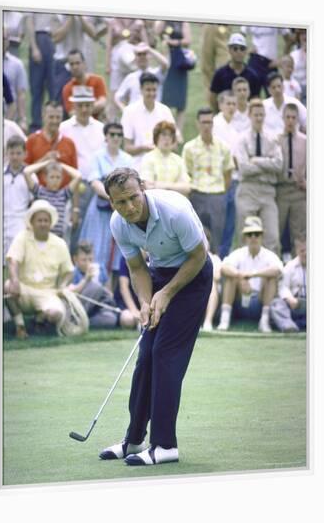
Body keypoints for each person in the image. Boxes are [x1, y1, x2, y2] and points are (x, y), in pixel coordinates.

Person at [99, 167, 213, 466]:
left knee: (165, 353)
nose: (129, 207)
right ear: (111, 202)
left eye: (133, 198)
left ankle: (165, 445)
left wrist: (168, 292)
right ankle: (134, 439)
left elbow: (199, 256)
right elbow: (137, 268)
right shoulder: (118, 223)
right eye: (120, 202)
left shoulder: (174, 211)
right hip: (158, 274)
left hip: (194, 275)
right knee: (146, 354)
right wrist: (147, 302)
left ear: (144, 189)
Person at [4, 200, 74, 339]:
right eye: (39, 220)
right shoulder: (22, 237)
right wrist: (15, 280)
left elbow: (69, 272)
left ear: (50, 223)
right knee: (7, 286)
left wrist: (63, 286)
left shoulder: (60, 243)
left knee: (56, 314)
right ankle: (20, 326)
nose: (43, 223)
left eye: (46, 220)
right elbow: (13, 261)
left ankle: (39, 321)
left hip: (47, 293)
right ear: (32, 222)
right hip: (24, 290)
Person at [78, 122, 133, 275]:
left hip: (120, 210)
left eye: (119, 135)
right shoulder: (97, 156)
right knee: (96, 247)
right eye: (112, 134)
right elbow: (94, 182)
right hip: (100, 209)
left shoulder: (127, 159)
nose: (115, 138)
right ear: (106, 137)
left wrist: (118, 201)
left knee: (118, 252)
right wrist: (112, 196)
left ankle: (114, 291)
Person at [182, 108, 235, 254]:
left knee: (217, 238)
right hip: (197, 195)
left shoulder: (223, 147)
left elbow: (228, 172)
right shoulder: (189, 148)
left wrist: (222, 192)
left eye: (210, 122)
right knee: (196, 238)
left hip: (217, 196)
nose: (207, 126)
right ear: (197, 124)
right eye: (204, 122)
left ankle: (216, 270)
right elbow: (186, 173)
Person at [217, 216, 283, 333]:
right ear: (245, 238)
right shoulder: (238, 253)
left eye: (256, 234)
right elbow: (224, 267)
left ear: (262, 236)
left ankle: (264, 320)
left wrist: (253, 275)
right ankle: (225, 319)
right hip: (239, 301)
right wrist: (240, 276)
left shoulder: (269, 255)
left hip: (260, 302)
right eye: (250, 234)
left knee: (270, 278)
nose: (253, 237)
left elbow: (277, 270)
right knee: (231, 277)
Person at [234, 98, 283, 254]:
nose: (259, 118)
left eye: (262, 114)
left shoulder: (272, 139)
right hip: (248, 190)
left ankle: (270, 275)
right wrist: (267, 164)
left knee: (272, 237)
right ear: (249, 115)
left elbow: (278, 165)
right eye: (256, 115)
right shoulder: (242, 139)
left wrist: (256, 160)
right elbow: (244, 168)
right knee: (246, 235)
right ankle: (244, 276)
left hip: (268, 192)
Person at [59, 85, 105, 248]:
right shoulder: (64, 128)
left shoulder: (100, 129)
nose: (84, 109)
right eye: (80, 105)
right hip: (73, 184)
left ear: (92, 106)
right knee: (74, 223)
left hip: (97, 183)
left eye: (87, 105)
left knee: (94, 225)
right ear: (74, 107)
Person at [121, 72, 177, 170]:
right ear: (141, 90)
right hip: (138, 164)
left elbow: (174, 143)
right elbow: (127, 148)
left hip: (163, 163)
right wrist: (143, 148)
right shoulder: (129, 111)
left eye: (154, 90)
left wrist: (161, 149)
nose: (151, 94)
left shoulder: (165, 111)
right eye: (148, 90)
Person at [212, 90, 241, 259]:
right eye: (228, 103)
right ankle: (217, 260)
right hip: (220, 181)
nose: (231, 107)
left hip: (235, 180)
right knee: (219, 225)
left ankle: (225, 259)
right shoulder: (216, 124)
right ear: (220, 105)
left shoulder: (235, 127)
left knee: (230, 225)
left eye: (233, 104)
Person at [276, 103, 307, 256]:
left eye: (293, 117)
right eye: (287, 117)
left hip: (298, 191)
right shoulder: (275, 140)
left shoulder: (305, 141)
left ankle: (300, 269)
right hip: (281, 190)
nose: (290, 120)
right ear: (283, 118)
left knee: (299, 234)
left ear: (297, 120)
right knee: (276, 231)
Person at [25, 100, 78, 188]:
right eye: (51, 117)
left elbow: (75, 176)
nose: (55, 121)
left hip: (63, 196)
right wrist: (45, 159)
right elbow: (24, 171)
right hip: (38, 195)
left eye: (58, 117)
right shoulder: (31, 141)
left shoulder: (69, 143)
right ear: (43, 116)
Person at [23, 159, 81, 239]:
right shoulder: (40, 192)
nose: (55, 180)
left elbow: (78, 176)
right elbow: (26, 172)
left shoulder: (64, 194)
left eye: (58, 177)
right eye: (52, 177)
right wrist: (46, 162)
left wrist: (61, 164)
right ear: (45, 178)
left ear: (62, 179)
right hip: (41, 235)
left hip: (58, 237)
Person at [69, 240, 120, 329]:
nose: (88, 263)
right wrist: (86, 279)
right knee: (95, 287)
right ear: (75, 259)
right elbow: (72, 293)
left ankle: (82, 322)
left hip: (97, 309)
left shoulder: (100, 269)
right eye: (84, 260)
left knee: (111, 319)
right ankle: (76, 319)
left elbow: (109, 293)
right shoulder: (72, 272)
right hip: (79, 307)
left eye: (90, 259)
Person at [155, 20, 193, 135]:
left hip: (178, 61)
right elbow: (156, 32)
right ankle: (164, 127)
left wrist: (172, 42)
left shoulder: (183, 23)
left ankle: (179, 131)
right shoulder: (163, 21)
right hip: (166, 58)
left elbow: (187, 40)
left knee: (180, 100)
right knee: (165, 96)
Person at [25, 12, 60, 132]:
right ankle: (36, 124)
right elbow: (29, 22)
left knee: (52, 86)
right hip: (38, 37)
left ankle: (53, 121)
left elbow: (56, 21)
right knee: (37, 87)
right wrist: (34, 47)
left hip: (50, 39)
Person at [210, 33, 261, 113]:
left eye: (242, 48)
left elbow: (255, 99)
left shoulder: (253, 75)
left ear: (246, 51)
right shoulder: (220, 74)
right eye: (235, 48)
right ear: (229, 50)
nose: (239, 51)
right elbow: (213, 97)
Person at [140, 120, 191, 196]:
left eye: (170, 135)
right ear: (156, 137)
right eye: (164, 134)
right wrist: (175, 186)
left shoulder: (178, 160)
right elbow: (148, 187)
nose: (167, 138)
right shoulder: (148, 158)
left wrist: (163, 186)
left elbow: (187, 188)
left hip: (175, 203)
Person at [114, 42, 168, 111]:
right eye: (139, 55)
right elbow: (117, 97)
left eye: (144, 54)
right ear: (135, 57)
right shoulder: (130, 77)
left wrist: (149, 49)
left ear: (149, 56)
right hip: (135, 115)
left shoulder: (156, 74)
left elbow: (165, 64)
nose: (142, 57)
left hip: (153, 113)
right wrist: (125, 111)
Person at [3, 136, 33, 259]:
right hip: (2, 220)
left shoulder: (30, 175)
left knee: (16, 259)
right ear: (6, 154)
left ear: (25, 154)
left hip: (20, 222)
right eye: (12, 153)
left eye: (18, 153)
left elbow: (33, 202)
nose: (15, 157)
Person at [240, 26, 292, 95]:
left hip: (271, 64)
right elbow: (239, 37)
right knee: (252, 95)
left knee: (274, 94)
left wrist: (282, 59)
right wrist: (247, 49)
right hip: (255, 61)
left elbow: (289, 39)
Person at [270, 238, 307, 332]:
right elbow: (283, 287)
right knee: (276, 304)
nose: (305, 253)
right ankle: (289, 326)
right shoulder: (289, 266)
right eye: (302, 251)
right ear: (297, 251)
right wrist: (290, 299)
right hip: (295, 304)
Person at [62, 49, 107, 119]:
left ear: (84, 64)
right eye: (72, 64)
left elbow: (102, 103)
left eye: (77, 63)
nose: (75, 67)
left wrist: (80, 110)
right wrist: (93, 108)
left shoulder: (98, 81)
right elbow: (72, 114)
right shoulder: (67, 88)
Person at [263, 72, 307, 137]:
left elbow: (306, 122)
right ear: (269, 90)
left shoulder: (294, 103)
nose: (277, 90)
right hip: (270, 145)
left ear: (283, 87)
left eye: (279, 86)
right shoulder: (264, 106)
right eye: (273, 87)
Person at [3, 32, 28, 132]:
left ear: (8, 41)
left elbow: (20, 94)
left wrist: (23, 119)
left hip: (10, 117)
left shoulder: (17, 64)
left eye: (4, 38)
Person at [200, 23, 231, 103]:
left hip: (223, 26)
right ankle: (213, 105)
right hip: (208, 25)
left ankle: (225, 102)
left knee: (225, 68)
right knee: (207, 68)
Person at [201, 228, 223, 332]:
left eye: (206, 240)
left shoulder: (215, 258)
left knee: (212, 285)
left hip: (211, 292)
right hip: (194, 290)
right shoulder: (188, 257)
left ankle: (208, 321)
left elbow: (217, 276)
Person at [290, 29, 307, 105]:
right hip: (296, 89)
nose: (305, 36)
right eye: (302, 34)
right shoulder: (293, 54)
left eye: (306, 33)